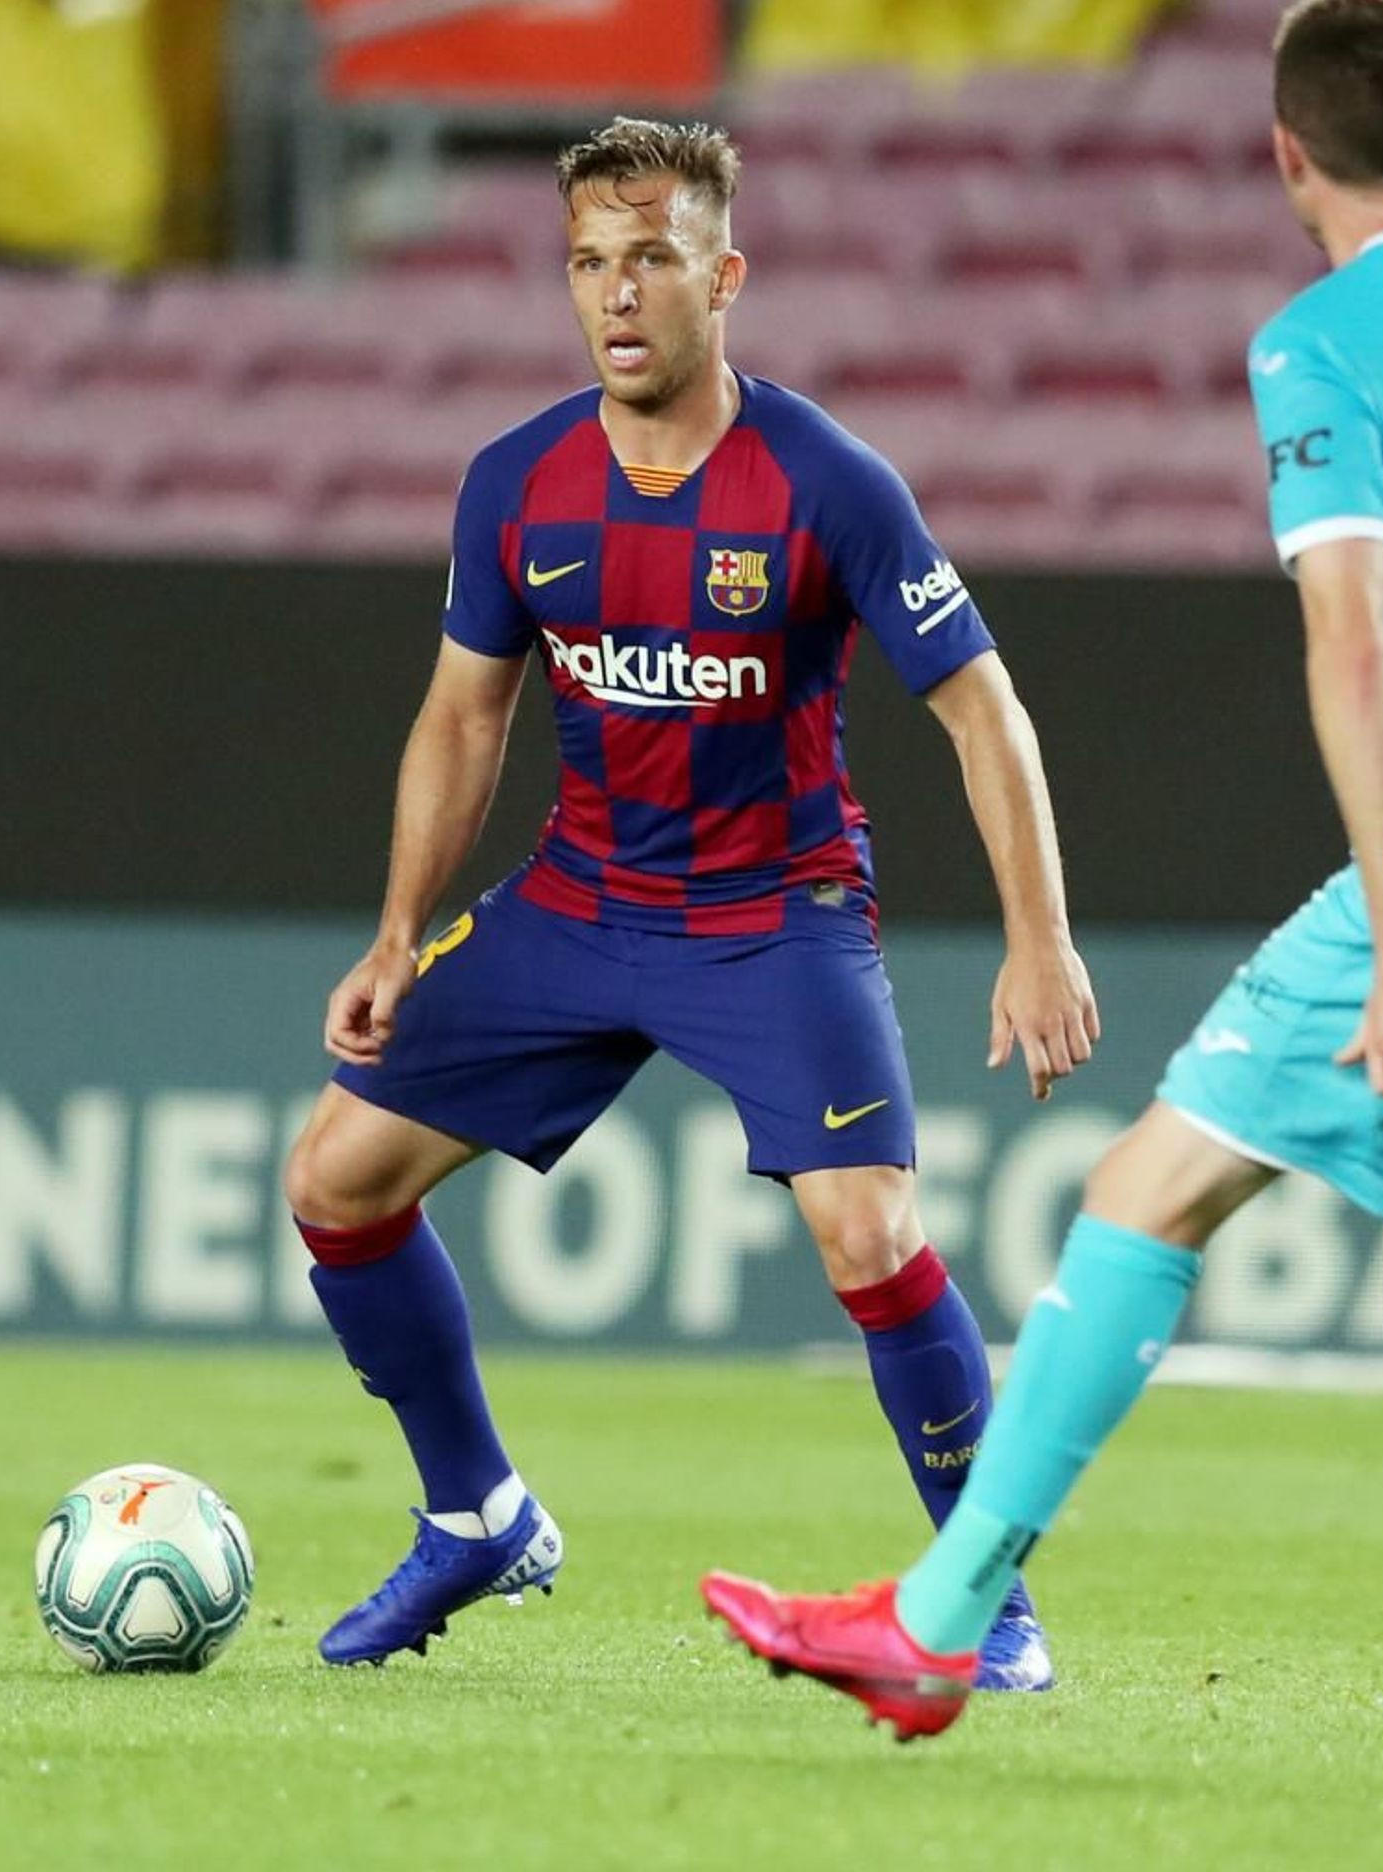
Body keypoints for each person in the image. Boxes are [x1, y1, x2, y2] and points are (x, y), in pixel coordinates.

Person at [701, 0, 1383, 1775]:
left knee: (1147, 1186)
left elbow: (1347, 642)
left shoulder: (1327, 342)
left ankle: (940, 1620)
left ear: (1287, 155)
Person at [279, 117, 1099, 1691]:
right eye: (590, 262)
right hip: (580, 900)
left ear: (723, 276)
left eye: (652, 258)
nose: (618, 295)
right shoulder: (515, 484)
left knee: (869, 1233)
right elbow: (466, 720)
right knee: (336, 1175)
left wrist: (1039, 937)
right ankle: (476, 1515)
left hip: (773, 912)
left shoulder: (825, 481)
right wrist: (397, 935)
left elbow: (984, 712)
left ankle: (986, 1601)